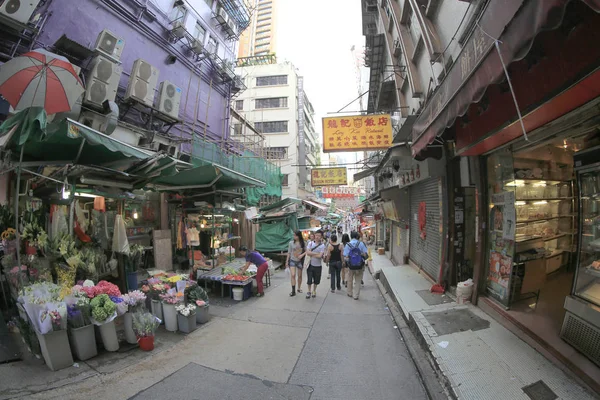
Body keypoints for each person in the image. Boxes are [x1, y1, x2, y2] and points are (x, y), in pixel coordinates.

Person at [343, 231, 368, 300]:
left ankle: (349, 293)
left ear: (351, 236)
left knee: (350, 279)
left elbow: (345, 256)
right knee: (358, 280)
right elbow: (366, 254)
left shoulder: (348, 245)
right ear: (357, 236)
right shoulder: (361, 244)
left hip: (351, 266)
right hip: (360, 265)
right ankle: (356, 295)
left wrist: (348, 261)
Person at [305, 230, 326, 299]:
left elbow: (320, 256)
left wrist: (312, 254)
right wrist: (317, 254)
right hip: (310, 264)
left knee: (316, 280)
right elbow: (307, 253)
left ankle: (314, 290)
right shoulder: (310, 243)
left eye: (319, 236)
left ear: (321, 237)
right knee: (309, 280)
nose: (317, 237)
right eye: (316, 235)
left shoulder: (322, 245)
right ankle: (309, 291)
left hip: (318, 266)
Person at [286, 231, 305, 297]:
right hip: (292, 261)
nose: (294, 237)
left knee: (299, 276)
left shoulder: (303, 243)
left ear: (299, 236)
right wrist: (287, 261)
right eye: (294, 235)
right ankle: (293, 291)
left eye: (295, 235)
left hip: (300, 261)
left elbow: (307, 251)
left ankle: (299, 288)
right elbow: (289, 252)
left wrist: (302, 255)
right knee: (293, 275)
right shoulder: (291, 243)